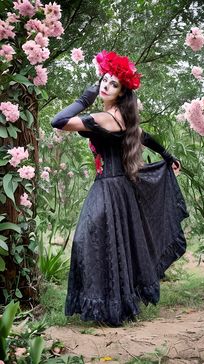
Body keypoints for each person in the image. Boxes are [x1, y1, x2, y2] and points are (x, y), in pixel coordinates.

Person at [51, 50, 188, 326]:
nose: (105, 85)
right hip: (120, 188)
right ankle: (117, 303)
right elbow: (144, 137)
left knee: (87, 241)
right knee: (113, 244)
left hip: (108, 187)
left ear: (122, 91)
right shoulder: (123, 117)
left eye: (113, 83)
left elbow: (58, 121)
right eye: (104, 80)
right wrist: (167, 155)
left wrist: (83, 99)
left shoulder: (103, 118)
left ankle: (109, 305)